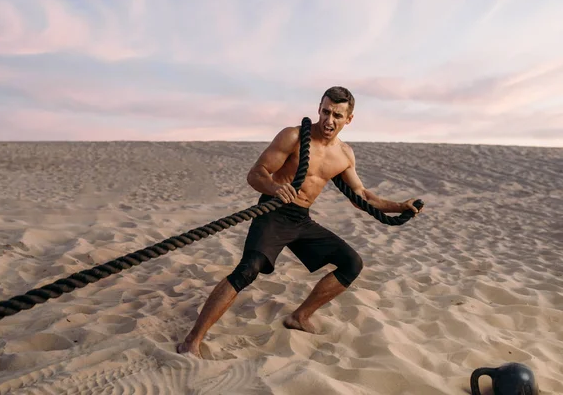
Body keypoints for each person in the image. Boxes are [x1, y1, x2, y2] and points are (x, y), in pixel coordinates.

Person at [177, 86, 421, 358]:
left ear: (349, 119)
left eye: (338, 115)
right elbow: (256, 174)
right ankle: (192, 341)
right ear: (319, 108)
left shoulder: (344, 155)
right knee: (248, 270)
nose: (330, 120)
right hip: (273, 212)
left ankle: (300, 316)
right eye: (326, 112)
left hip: (300, 219)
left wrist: (400, 206)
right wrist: (273, 188)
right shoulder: (293, 137)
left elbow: (361, 197)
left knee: (352, 263)